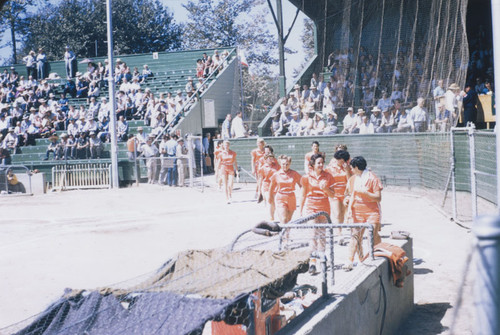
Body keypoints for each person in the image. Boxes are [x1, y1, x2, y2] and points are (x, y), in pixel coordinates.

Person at [343, 156, 383, 271]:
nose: (350, 169)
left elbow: (378, 198)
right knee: (355, 237)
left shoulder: (372, 178)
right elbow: (347, 194)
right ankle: (351, 261)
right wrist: (346, 200)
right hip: (357, 211)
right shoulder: (352, 179)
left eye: (352, 167)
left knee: (372, 236)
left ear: (356, 167)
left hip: (372, 211)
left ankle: (377, 253)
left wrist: (365, 193)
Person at [300, 153, 336, 274]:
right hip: (312, 208)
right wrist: (301, 209)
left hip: (324, 208)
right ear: (313, 165)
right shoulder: (306, 177)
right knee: (313, 235)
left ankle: (322, 259)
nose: (321, 165)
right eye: (318, 163)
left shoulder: (328, 176)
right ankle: (312, 262)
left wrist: (325, 189)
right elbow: (303, 194)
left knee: (322, 236)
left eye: (322, 163)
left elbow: (333, 194)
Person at [268, 154, 302, 247]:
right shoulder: (276, 174)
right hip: (280, 197)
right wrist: (270, 197)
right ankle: (284, 240)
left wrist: (304, 194)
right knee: (283, 219)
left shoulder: (294, 174)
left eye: (287, 164)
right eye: (283, 164)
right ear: (280, 164)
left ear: (290, 164)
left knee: (289, 220)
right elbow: (271, 187)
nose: (285, 166)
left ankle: (287, 235)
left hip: (291, 197)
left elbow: (302, 185)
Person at [325, 149, 351, 243]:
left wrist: (347, 171)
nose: (338, 161)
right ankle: (339, 234)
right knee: (337, 213)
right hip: (334, 193)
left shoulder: (348, 167)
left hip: (345, 193)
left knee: (342, 214)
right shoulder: (330, 168)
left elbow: (350, 181)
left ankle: (339, 229)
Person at [258, 153, 280, 220]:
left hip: (275, 186)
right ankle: (271, 217)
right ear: (266, 159)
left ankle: (272, 214)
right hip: (267, 186)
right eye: (269, 158)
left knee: (274, 202)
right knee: (269, 201)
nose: (271, 160)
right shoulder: (262, 168)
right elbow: (261, 179)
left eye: (272, 158)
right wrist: (260, 190)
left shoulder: (277, 166)